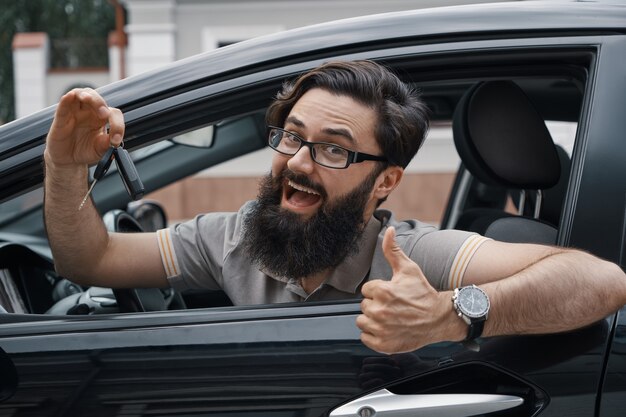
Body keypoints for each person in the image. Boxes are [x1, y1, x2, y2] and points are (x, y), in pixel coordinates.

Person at [44, 60, 626, 354]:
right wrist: (65, 168)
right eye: (294, 136)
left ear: (384, 183)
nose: (298, 161)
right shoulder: (235, 237)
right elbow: (90, 260)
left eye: (334, 150)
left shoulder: (414, 255)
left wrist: (450, 314)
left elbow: (600, 281)